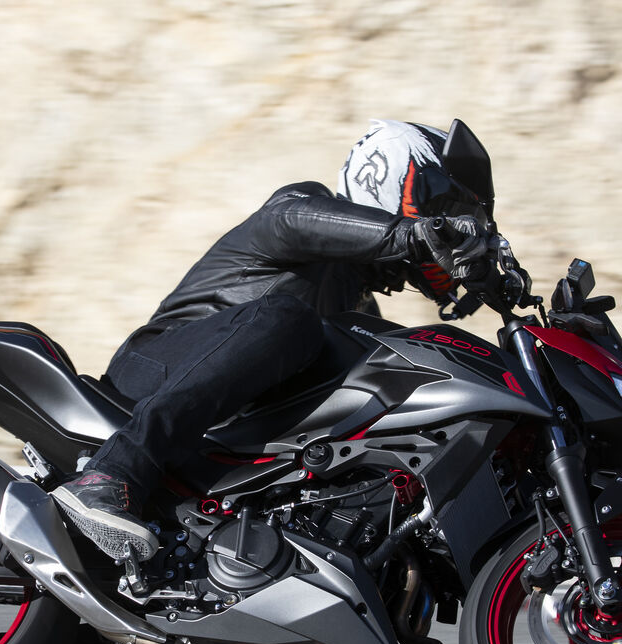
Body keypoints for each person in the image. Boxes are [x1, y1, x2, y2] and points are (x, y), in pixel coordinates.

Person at [54, 119, 497, 562]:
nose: (450, 224)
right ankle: (111, 474)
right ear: (388, 176)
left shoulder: (360, 309)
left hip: (219, 429)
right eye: (442, 207)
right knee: (292, 318)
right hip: (154, 371)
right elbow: (287, 222)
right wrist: (412, 233)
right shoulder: (302, 206)